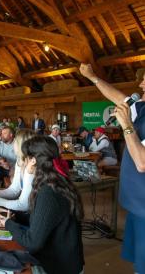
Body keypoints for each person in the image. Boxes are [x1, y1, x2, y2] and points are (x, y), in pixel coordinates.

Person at [80, 63, 145, 274]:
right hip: (137, 204)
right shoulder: (142, 107)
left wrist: (126, 124)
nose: (141, 84)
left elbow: (142, 162)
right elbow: (118, 97)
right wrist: (93, 77)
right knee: (139, 263)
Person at [0, 136, 84, 274]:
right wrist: (14, 216)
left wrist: (8, 224)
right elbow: (41, 220)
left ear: (33, 161)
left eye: (25, 158)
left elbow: (32, 243)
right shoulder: (56, 181)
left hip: (58, 267)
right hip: (64, 262)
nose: (23, 163)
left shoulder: (48, 193)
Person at [0, 129, 35, 211]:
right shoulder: (20, 161)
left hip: (34, 213)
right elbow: (14, 191)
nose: (14, 144)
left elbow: (24, 205)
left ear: (22, 145)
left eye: (16, 141)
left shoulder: (32, 167)